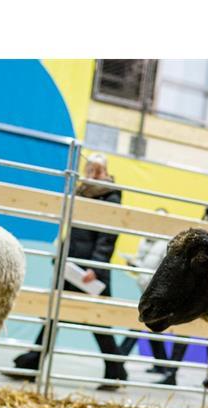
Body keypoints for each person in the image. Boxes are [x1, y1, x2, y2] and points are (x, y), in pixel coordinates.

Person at [9, 154, 127, 389]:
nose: (93, 175)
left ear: (106, 173)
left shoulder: (110, 197)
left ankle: (116, 371)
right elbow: (70, 230)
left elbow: (107, 237)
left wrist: (96, 266)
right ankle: (32, 364)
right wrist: (62, 255)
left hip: (90, 273)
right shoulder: (81, 193)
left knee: (98, 322)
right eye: (90, 169)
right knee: (52, 315)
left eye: (98, 170)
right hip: (71, 267)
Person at [125, 209, 186, 385]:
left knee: (141, 322)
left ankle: (119, 356)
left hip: (157, 293)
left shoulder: (168, 243)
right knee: (151, 323)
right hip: (145, 287)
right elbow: (145, 263)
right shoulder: (146, 239)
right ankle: (162, 365)